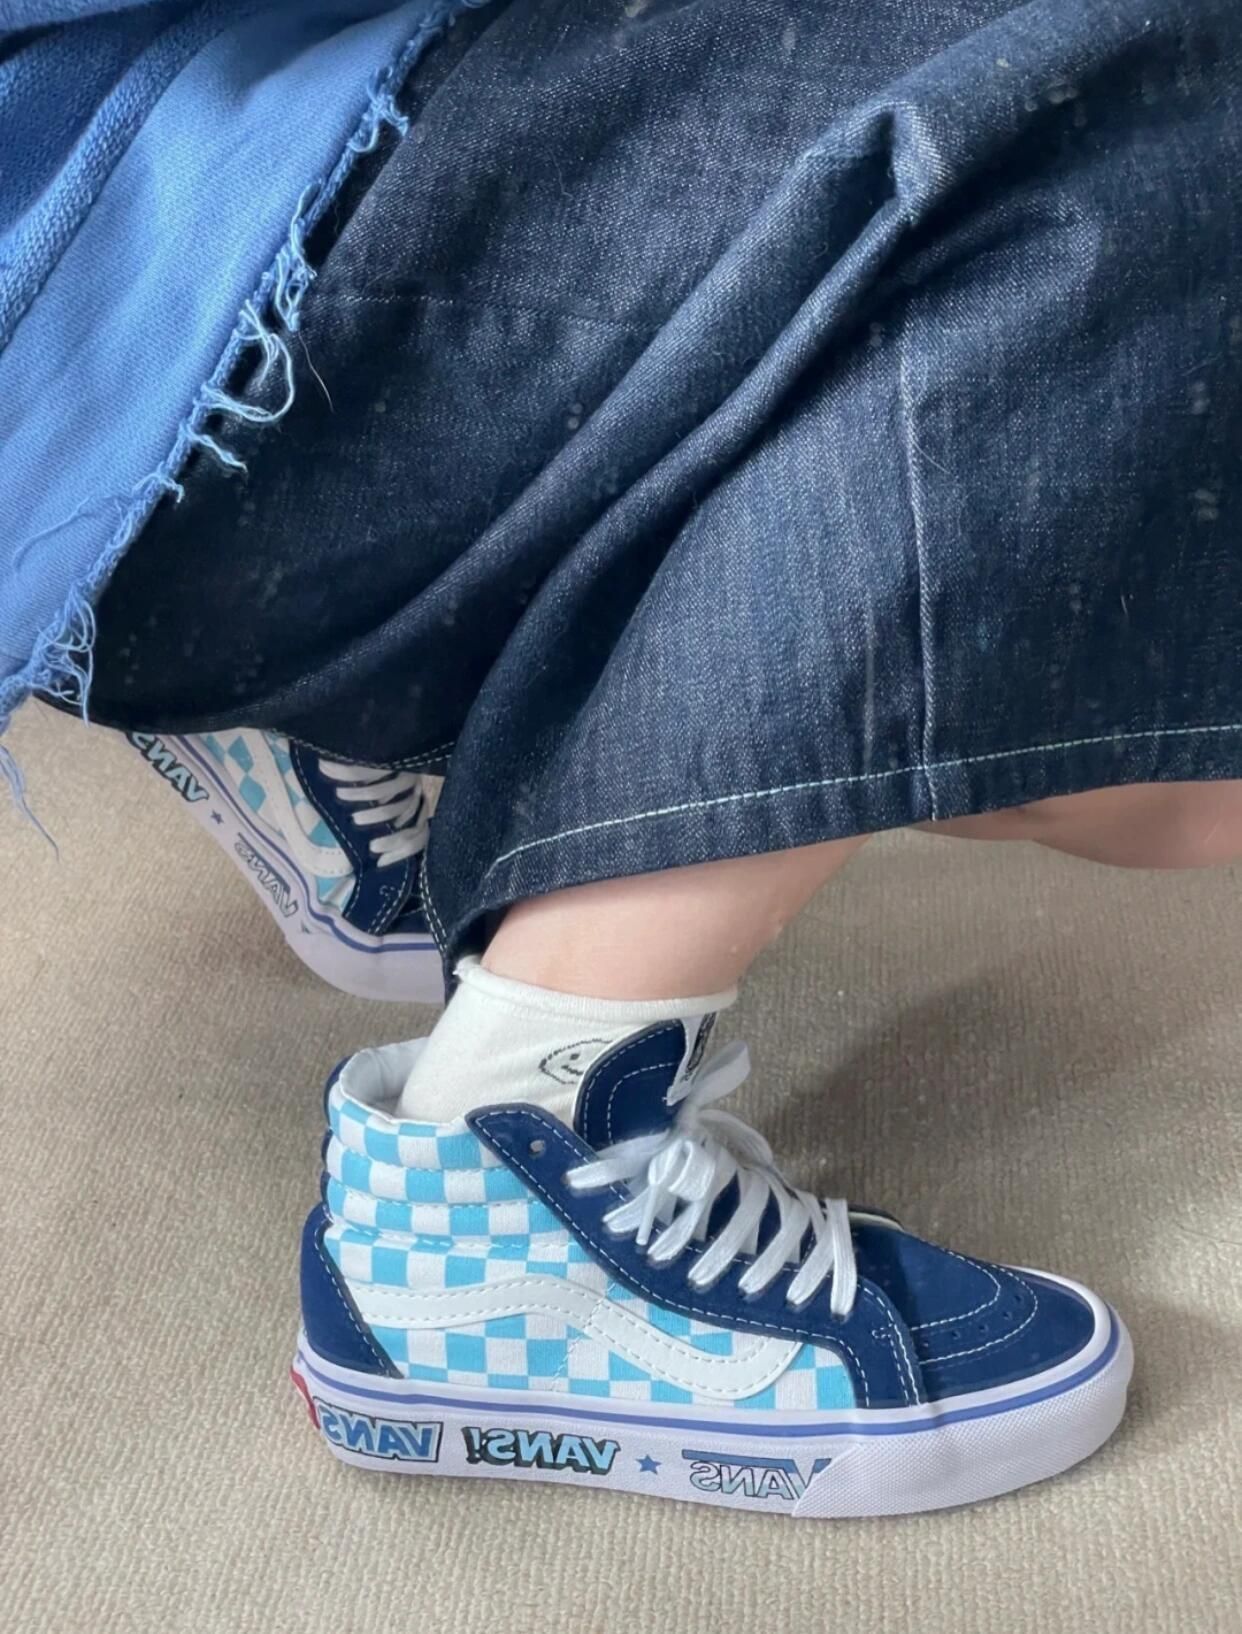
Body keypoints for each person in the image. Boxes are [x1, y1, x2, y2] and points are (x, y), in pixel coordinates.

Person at [4, 0, 1240, 1516]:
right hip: (113, 255)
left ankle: (299, 687)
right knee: (1144, 108)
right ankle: (513, 1173)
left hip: (142, 177)